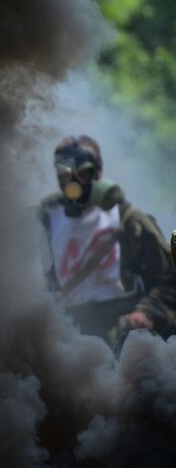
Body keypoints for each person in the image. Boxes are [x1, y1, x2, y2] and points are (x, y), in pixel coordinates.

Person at [39, 135, 175, 344]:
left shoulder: (127, 220)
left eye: (83, 173)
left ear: (98, 173)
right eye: (66, 175)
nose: (74, 183)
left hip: (121, 329)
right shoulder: (46, 219)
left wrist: (146, 313)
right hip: (68, 330)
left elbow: (169, 278)